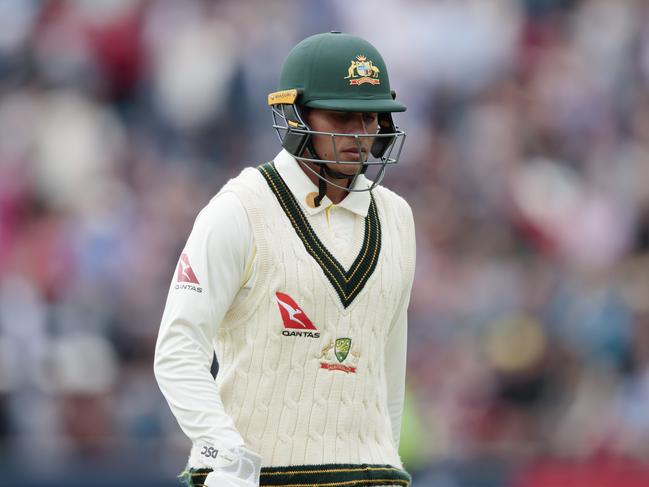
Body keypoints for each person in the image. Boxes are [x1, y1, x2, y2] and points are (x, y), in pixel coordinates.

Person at [154, 31, 416, 487]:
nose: (361, 135)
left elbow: (386, 367)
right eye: (342, 117)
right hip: (259, 476)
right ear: (294, 115)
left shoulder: (396, 217)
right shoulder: (239, 210)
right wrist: (224, 452)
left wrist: (386, 458)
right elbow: (177, 351)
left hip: (371, 474)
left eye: (371, 118)